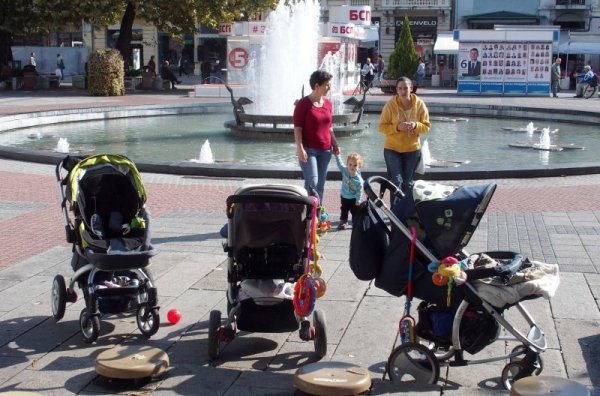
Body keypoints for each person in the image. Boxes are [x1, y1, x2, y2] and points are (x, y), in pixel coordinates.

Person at [293, 69, 340, 204]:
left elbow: (329, 127)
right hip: (309, 150)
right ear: (316, 86)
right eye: (326, 84)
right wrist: (300, 148)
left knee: (320, 185)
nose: (329, 87)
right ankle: (308, 214)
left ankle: (317, 215)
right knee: (312, 182)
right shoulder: (303, 104)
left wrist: (335, 144)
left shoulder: (328, 104)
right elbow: (297, 129)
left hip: (326, 150)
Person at [378, 77, 431, 194]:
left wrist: (415, 125)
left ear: (411, 88)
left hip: (412, 149)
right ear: (396, 90)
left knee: (407, 183)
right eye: (400, 88)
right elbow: (381, 127)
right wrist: (397, 127)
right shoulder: (390, 105)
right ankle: (395, 211)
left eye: (406, 88)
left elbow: (427, 126)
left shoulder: (420, 104)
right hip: (392, 149)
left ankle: (405, 210)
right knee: (396, 182)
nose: (403, 91)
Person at [335, 152, 364, 230]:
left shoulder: (359, 180)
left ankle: (355, 222)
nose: (352, 167)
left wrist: (358, 200)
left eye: (355, 165)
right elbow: (339, 164)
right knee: (344, 210)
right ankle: (343, 221)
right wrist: (337, 155)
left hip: (354, 199)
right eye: (350, 164)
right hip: (344, 196)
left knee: (355, 212)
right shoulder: (345, 170)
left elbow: (360, 190)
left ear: (359, 166)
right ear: (347, 164)